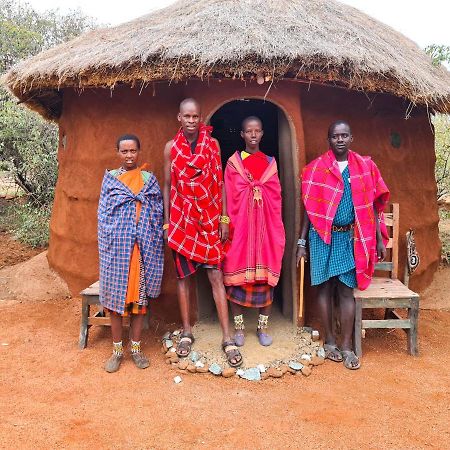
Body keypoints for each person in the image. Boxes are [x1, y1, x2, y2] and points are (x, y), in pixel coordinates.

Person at [297, 121, 389, 370]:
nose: (340, 139)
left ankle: (347, 345)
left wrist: (379, 239)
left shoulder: (365, 167)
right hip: (321, 237)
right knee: (325, 289)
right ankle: (329, 341)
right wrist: (302, 242)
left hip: (350, 237)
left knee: (347, 290)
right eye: (335, 136)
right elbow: (309, 208)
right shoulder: (316, 169)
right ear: (329, 140)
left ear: (351, 138)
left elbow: (374, 207)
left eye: (344, 135)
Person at [163, 98, 243, 367]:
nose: (191, 120)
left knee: (215, 275)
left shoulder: (213, 145)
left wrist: (223, 218)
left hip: (209, 219)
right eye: (187, 116)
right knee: (184, 278)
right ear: (179, 117)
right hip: (182, 222)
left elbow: (219, 182)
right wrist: (167, 223)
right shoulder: (170, 148)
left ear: (200, 119)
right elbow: (167, 186)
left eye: (195, 116)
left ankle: (227, 337)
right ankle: (187, 331)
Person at [98, 134, 164, 373]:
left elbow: (157, 212)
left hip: (141, 249)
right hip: (117, 251)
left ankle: (135, 349)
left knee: (139, 302)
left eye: (133, 151)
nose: (129, 156)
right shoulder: (111, 180)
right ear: (117, 152)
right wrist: (118, 235)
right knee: (116, 303)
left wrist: (145, 232)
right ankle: (117, 351)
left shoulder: (148, 180)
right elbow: (103, 216)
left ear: (139, 151)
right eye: (124, 151)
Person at [223, 116, 285, 346]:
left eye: (257, 131)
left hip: (265, 232)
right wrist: (225, 220)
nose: (253, 135)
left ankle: (262, 328)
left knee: (266, 279)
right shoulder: (233, 163)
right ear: (242, 134)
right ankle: (239, 328)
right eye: (248, 131)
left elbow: (276, 197)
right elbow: (227, 194)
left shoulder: (270, 163)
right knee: (234, 277)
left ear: (262, 134)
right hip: (240, 231)